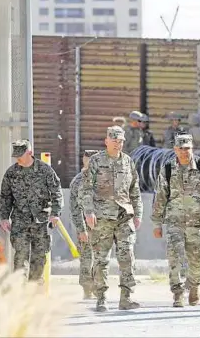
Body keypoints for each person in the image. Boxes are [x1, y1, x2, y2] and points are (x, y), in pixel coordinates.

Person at [79, 126, 143, 312]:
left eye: (121, 141)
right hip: (102, 218)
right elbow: (86, 189)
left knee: (127, 258)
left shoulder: (128, 162)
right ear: (106, 141)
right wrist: (89, 212)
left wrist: (137, 214)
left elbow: (135, 190)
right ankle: (101, 298)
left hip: (124, 217)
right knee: (101, 259)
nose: (118, 144)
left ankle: (126, 298)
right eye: (114, 141)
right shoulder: (96, 161)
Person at [152, 134, 200, 307]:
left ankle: (194, 286)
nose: (184, 152)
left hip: (197, 222)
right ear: (175, 149)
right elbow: (160, 196)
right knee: (174, 257)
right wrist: (157, 223)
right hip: (174, 222)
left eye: (187, 148)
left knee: (199, 258)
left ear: (192, 148)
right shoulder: (167, 169)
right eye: (180, 148)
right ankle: (177, 293)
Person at [0, 140, 63, 283]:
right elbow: (5, 197)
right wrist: (4, 217)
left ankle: (34, 294)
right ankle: (20, 295)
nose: (17, 158)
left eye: (20, 155)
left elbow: (56, 193)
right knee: (20, 258)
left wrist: (55, 214)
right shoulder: (11, 173)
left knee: (38, 259)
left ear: (30, 153)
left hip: (41, 223)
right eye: (16, 155)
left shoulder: (45, 170)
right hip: (20, 223)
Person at [69, 149, 98, 299]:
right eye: (88, 160)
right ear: (84, 161)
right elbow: (74, 208)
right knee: (87, 258)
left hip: (101, 226)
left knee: (101, 258)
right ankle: (87, 289)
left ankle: (99, 288)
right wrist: (81, 229)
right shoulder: (78, 181)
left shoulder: (103, 179)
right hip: (85, 227)